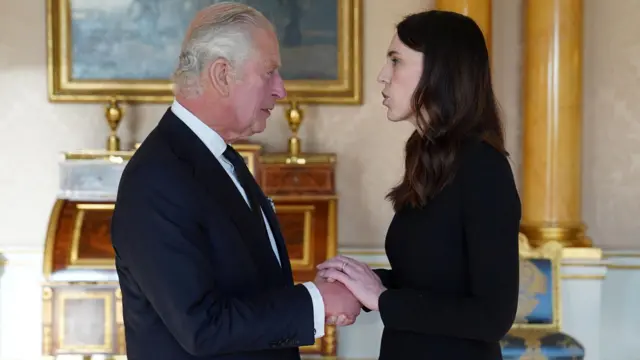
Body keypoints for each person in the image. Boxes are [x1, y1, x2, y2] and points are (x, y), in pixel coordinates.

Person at [110, 3, 360, 360]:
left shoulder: (216, 158)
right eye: (270, 72)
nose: (281, 90)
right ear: (223, 74)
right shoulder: (157, 178)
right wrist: (315, 302)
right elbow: (202, 327)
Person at [317, 10, 522, 360]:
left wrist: (381, 298)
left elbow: (492, 317)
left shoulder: (484, 168)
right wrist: (363, 281)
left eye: (396, 61)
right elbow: (429, 282)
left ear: (440, 71)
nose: (382, 76)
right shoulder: (428, 156)